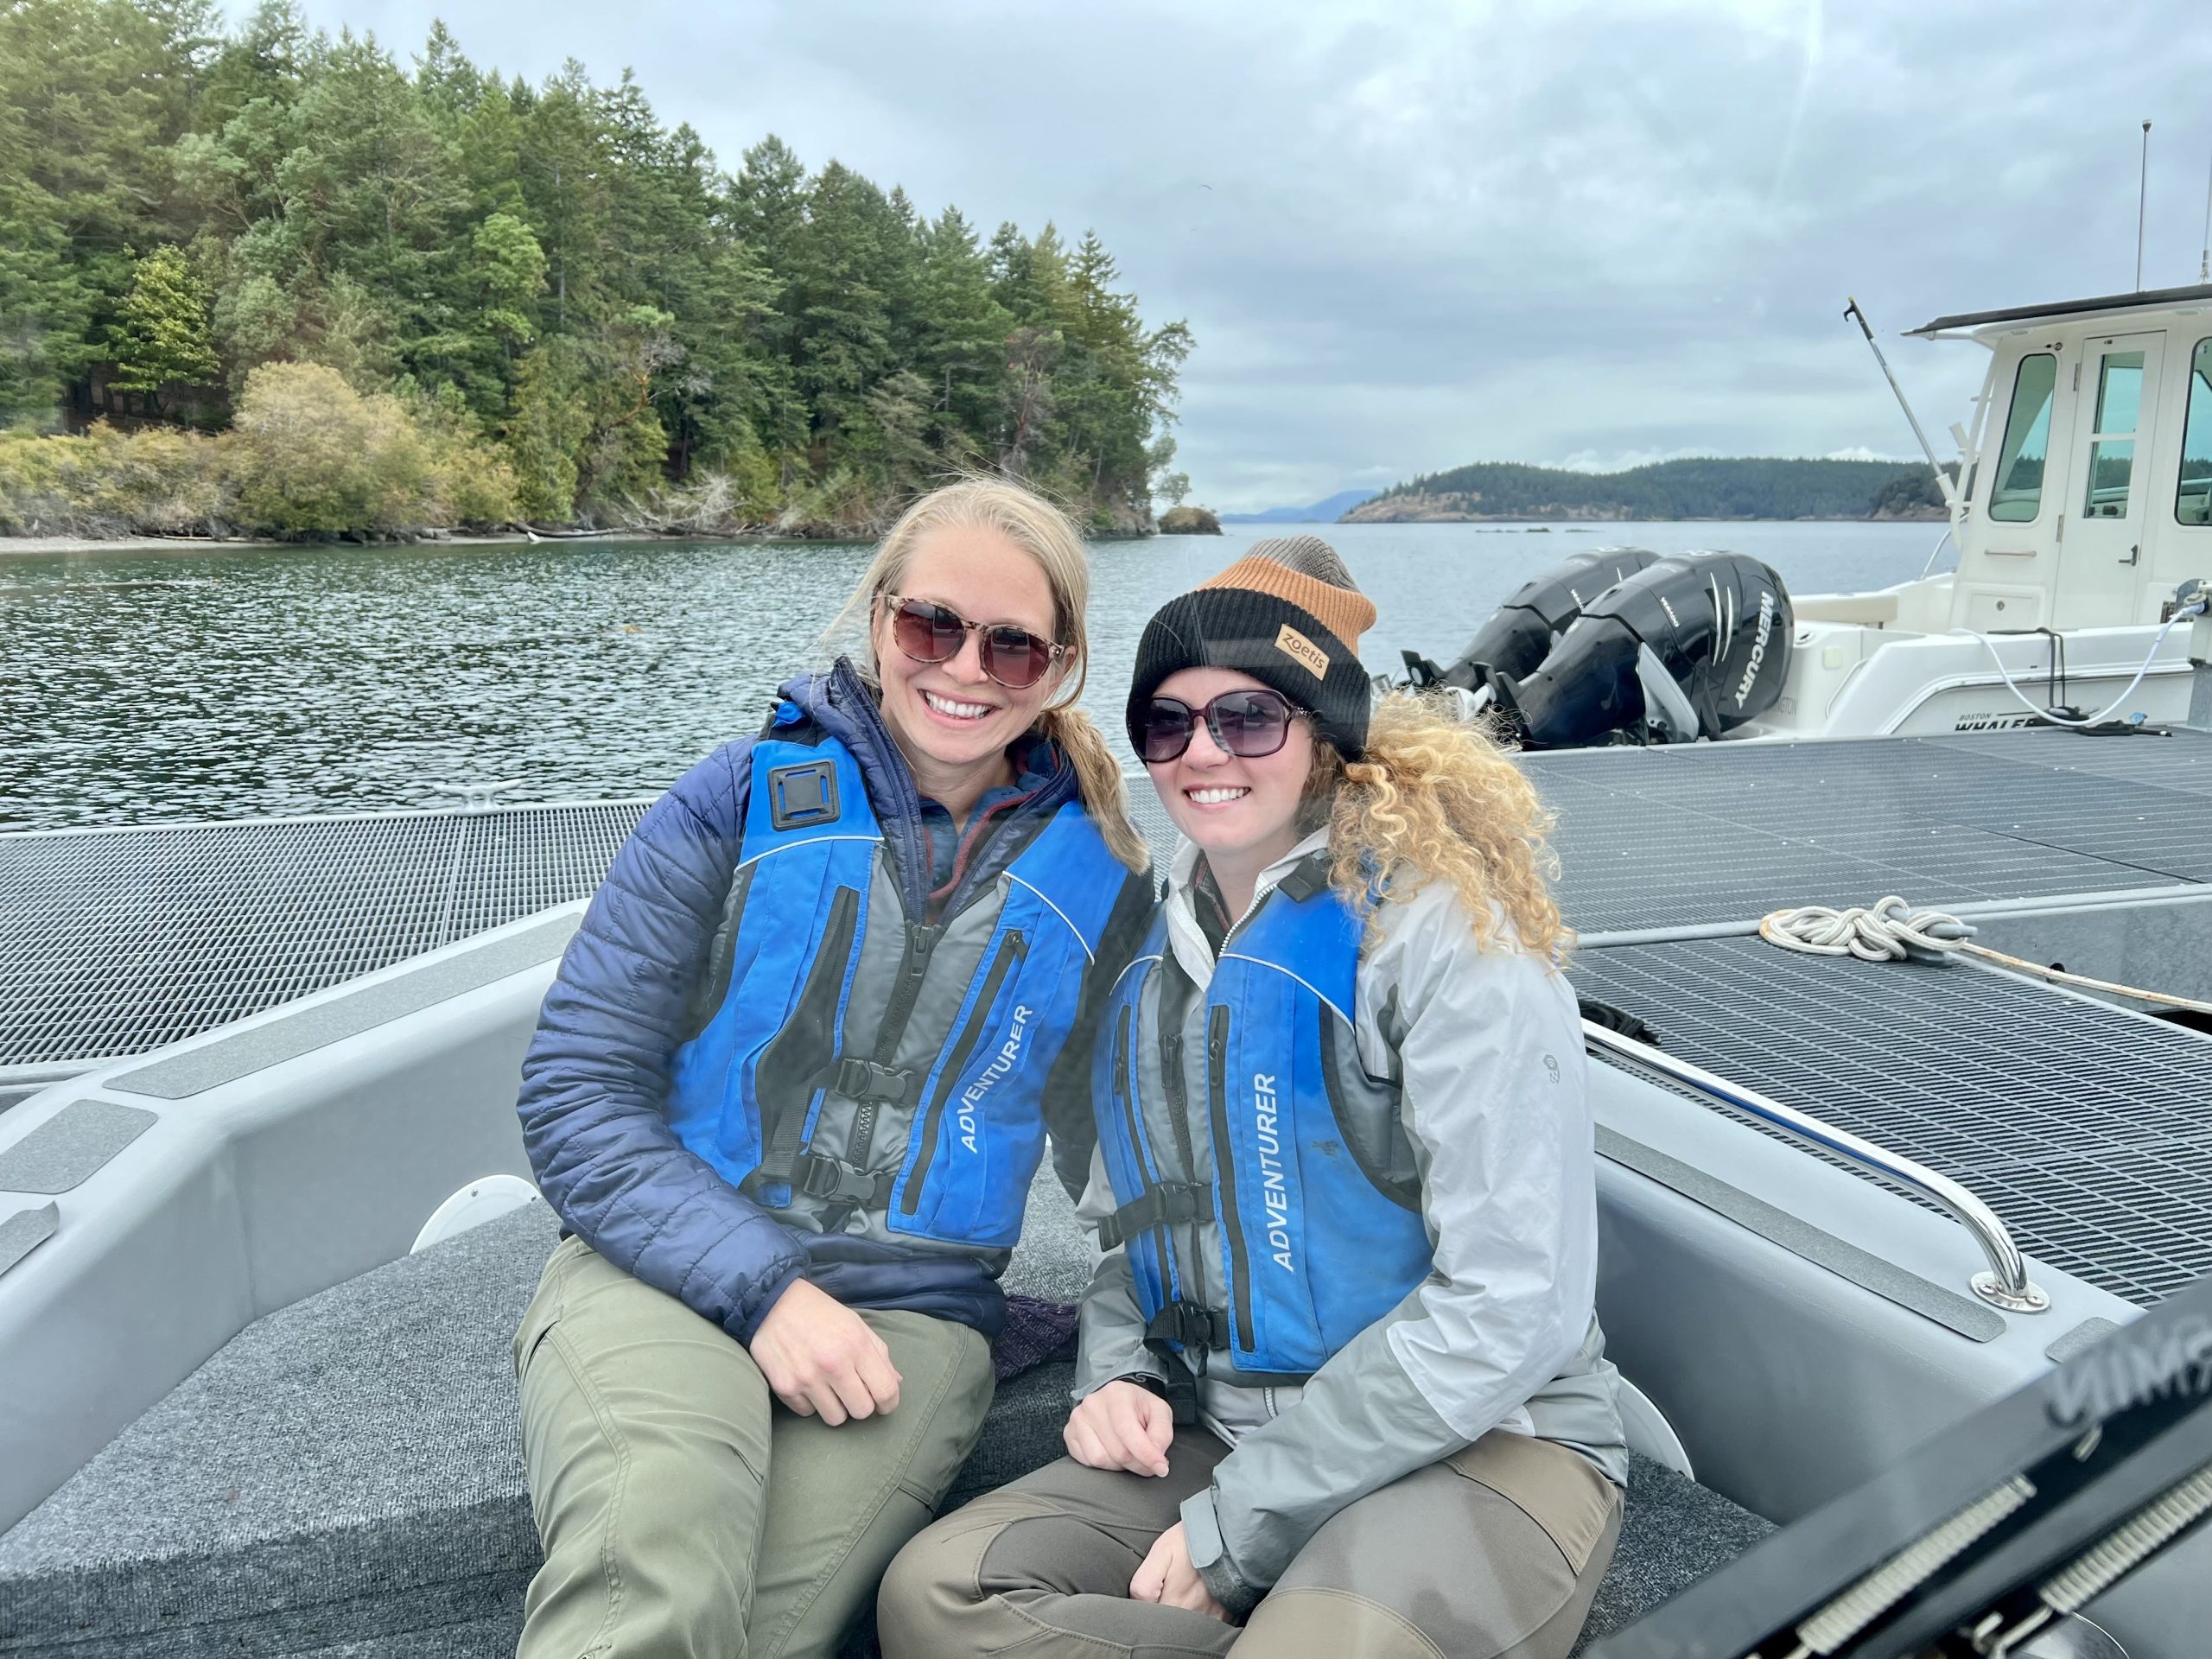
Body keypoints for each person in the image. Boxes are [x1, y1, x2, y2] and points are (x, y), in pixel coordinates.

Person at [880, 536, 1629, 1659]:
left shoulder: (1448, 942)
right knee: (938, 1596)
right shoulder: (1144, 952)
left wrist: (1243, 1524)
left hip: (1488, 1444)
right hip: (1229, 1427)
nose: (1203, 752)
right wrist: (1123, 1369)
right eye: (1168, 722)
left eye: (1248, 718)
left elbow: (1511, 1305)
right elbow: (1140, 1231)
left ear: (1322, 733)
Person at [509, 478, 1154, 1659]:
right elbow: (575, 1092)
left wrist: (1145, 1353)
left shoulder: (1104, 876)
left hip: (917, 1316)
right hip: (664, 1267)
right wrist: (763, 1292)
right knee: (662, 1546)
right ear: (878, 623)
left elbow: (1129, 1154)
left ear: (1058, 670)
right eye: (932, 627)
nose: (965, 668)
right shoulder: (732, 804)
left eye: (1012, 646)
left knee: (770, 1629)